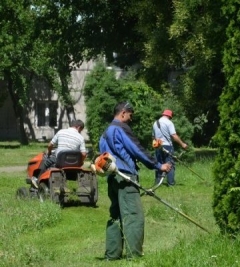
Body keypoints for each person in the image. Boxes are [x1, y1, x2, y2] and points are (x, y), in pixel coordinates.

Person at [99, 101, 171, 261]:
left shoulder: (105, 132)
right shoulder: (121, 128)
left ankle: (112, 254)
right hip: (125, 177)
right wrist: (159, 166)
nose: (131, 119)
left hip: (112, 177)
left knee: (115, 215)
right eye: (130, 115)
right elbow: (137, 150)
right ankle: (134, 256)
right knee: (133, 215)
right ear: (123, 113)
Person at [32, 119, 87, 188]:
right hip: (74, 163)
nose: (80, 132)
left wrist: (49, 153)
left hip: (59, 160)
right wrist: (81, 162)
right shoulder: (81, 138)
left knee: (45, 162)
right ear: (78, 127)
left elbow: (50, 145)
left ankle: (37, 179)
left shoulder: (61, 132)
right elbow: (84, 154)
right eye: (81, 130)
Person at [152, 109, 188, 186]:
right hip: (167, 146)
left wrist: (156, 146)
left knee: (159, 164)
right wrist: (182, 144)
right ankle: (171, 183)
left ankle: (158, 183)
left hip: (158, 146)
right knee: (170, 164)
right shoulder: (169, 123)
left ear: (163, 114)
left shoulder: (155, 123)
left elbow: (153, 137)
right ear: (169, 116)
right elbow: (174, 136)